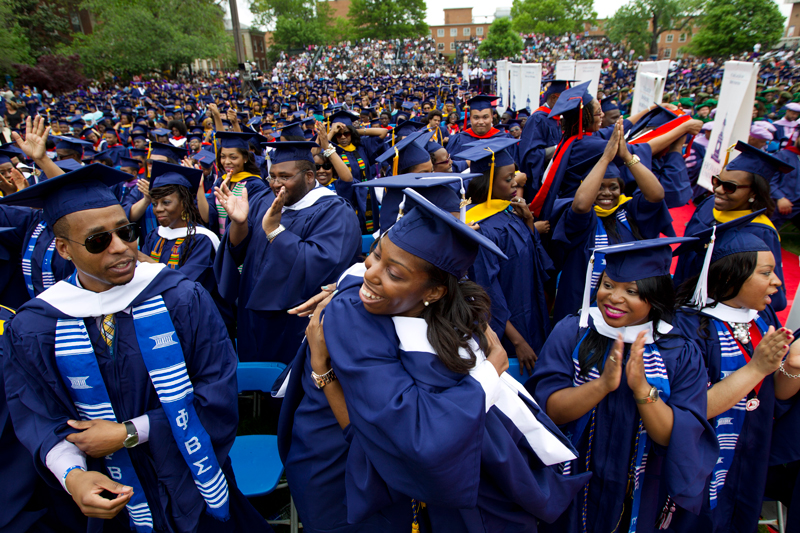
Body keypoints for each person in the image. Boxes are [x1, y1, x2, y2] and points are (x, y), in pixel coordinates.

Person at [278, 189, 587, 532]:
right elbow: (421, 433)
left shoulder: (449, 322)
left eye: (394, 273)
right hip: (342, 470)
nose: (371, 273)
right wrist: (489, 372)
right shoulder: (354, 311)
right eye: (375, 255)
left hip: (394, 473)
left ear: (435, 293)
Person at [2, 164, 271, 533]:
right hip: (107, 495)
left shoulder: (181, 298)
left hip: (193, 481)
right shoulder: (35, 325)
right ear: (63, 248)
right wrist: (72, 475)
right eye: (98, 241)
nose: (121, 248)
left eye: (126, 232)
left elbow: (217, 391)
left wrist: (130, 432)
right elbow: (37, 415)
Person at [529, 238, 718, 533]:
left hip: (642, 489)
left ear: (654, 297)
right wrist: (602, 384)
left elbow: (675, 436)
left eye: (631, 291)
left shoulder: (679, 351)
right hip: (573, 479)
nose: (614, 297)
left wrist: (643, 389)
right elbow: (549, 410)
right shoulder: (572, 332)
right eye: (608, 285)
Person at [667, 222, 799, 532]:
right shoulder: (688, 328)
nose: (777, 282)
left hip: (749, 454)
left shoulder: (759, 316)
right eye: (765, 273)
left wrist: (791, 367)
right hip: (701, 466)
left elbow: (771, 397)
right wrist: (756, 367)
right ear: (729, 275)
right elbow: (690, 408)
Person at [213, 141, 360, 363]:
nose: (275, 184)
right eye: (272, 176)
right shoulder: (264, 201)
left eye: (284, 177)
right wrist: (239, 223)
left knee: (288, 387)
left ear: (309, 176)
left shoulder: (335, 211)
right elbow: (239, 252)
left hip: (293, 320)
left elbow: (320, 264)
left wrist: (275, 231)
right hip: (251, 312)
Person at [530, 82, 702, 222]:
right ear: (585, 117)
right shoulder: (589, 145)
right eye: (598, 113)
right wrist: (683, 128)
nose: (603, 115)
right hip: (583, 212)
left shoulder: (575, 137)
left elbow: (617, 128)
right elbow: (645, 148)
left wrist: (649, 110)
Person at [453, 137, 553, 376]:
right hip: (510, 329)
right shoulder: (480, 229)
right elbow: (486, 292)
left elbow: (535, 262)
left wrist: (528, 221)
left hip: (530, 307)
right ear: (487, 184)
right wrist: (517, 341)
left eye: (514, 178)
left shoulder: (510, 212)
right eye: (508, 180)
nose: (514, 184)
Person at [674, 141, 792, 311]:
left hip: (713, 315)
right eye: (717, 181)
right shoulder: (709, 206)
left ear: (754, 192)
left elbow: (774, 296)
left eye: (730, 187)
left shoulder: (761, 231)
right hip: (680, 297)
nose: (719, 190)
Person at [139, 161, 233, 335]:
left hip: (200, 323)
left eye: (166, 202)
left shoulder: (202, 239)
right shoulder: (155, 235)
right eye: (155, 203)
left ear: (184, 203)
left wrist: (145, 261)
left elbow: (184, 283)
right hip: (163, 319)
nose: (158, 209)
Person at [518, 80, 569, 202]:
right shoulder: (538, 119)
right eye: (566, 99)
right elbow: (530, 156)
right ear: (553, 98)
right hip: (538, 185)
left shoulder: (555, 119)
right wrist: (559, 149)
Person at [445, 95, 510, 159]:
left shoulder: (503, 139)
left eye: (485, 117)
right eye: (476, 117)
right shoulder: (459, 139)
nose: (481, 122)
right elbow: (451, 165)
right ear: (470, 118)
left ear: (491, 118)